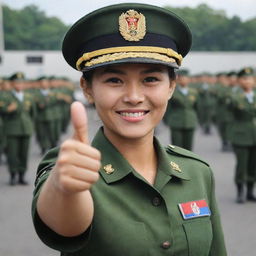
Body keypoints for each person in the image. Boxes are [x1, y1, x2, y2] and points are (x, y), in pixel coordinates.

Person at [32, 3, 227, 255]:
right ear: (87, 88)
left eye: (150, 79)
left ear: (171, 86)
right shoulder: (73, 167)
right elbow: (65, 224)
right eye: (114, 80)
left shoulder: (197, 172)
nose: (134, 96)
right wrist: (63, 188)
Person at [1, 72, 35, 185]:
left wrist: (30, 125)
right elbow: (2, 111)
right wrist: (8, 109)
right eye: (16, 82)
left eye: (21, 82)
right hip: (12, 129)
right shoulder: (5, 96)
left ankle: (22, 175)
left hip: (26, 129)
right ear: (12, 84)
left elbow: (32, 113)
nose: (19, 85)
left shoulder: (28, 96)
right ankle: (12, 175)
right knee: (12, 154)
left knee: (24, 153)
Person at [229, 67, 256, 203]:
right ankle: (240, 191)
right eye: (245, 79)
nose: (248, 82)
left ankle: (250, 191)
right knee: (242, 165)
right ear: (239, 81)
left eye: (250, 79)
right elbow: (243, 110)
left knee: (253, 165)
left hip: (254, 136)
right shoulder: (235, 96)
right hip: (241, 136)